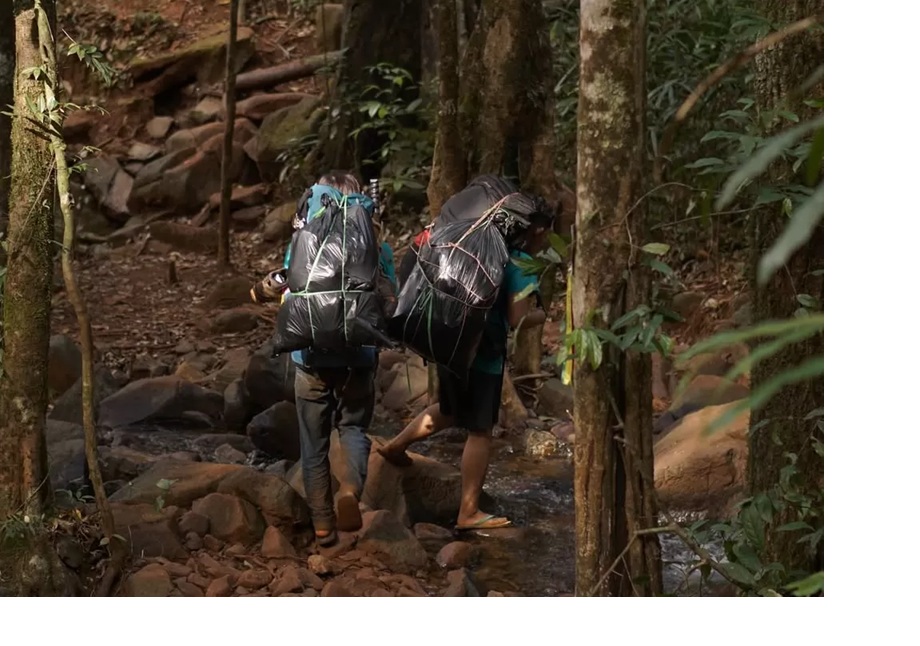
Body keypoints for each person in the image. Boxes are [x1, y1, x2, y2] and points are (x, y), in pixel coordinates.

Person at [377, 182, 553, 531]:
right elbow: (518, 320)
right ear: (537, 229)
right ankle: (468, 511)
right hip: (483, 356)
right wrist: (541, 315)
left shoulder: (474, 243)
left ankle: (395, 447)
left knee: (448, 410)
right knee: (481, 431)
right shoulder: (521, 263)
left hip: (449, 342)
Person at [252, 171, 397, 547]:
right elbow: (391, 299)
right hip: (359, 357)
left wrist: (261, 291)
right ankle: (349, 490)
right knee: (352, 428)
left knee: (313, 442)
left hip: (310, 355)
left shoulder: (304, 241)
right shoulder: (376, 246)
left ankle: (322, 527)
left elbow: (284, 288)